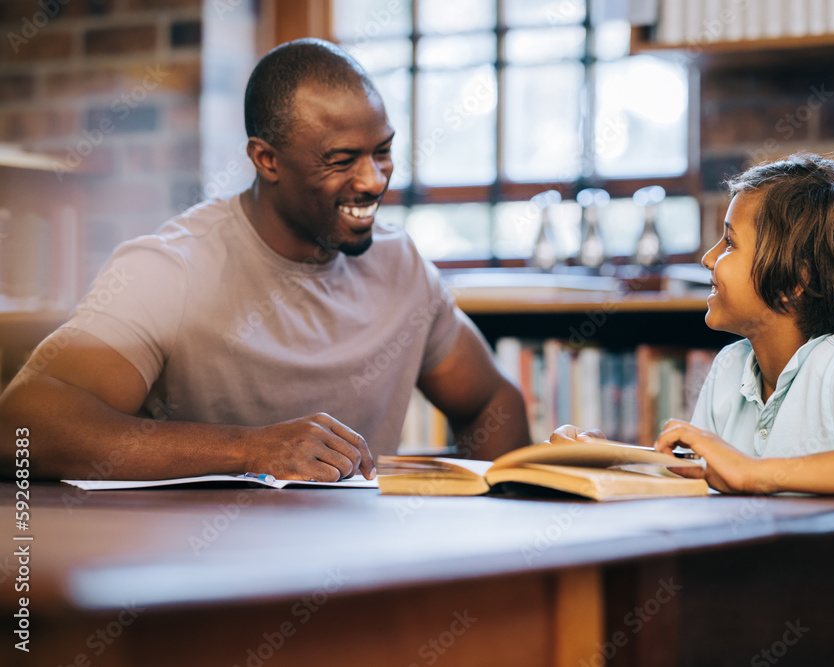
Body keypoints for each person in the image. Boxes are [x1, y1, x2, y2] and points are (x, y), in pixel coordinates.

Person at [0, 39, 531, 482]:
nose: (373, 180)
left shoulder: (403, 267)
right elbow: (20, 427)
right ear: (267, 159)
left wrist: (510, 498)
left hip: (369, 573)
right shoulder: (172, 268)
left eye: (383, 151)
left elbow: (492, 402)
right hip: (210, 581)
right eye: (342, 160)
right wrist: (251, 450)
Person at [551, 153, 834, 494]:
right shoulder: (730, 368)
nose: (708, 258)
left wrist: (757, 473)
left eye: (730, 242)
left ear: (797, 280)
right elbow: (705, 483)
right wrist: (611, 460)